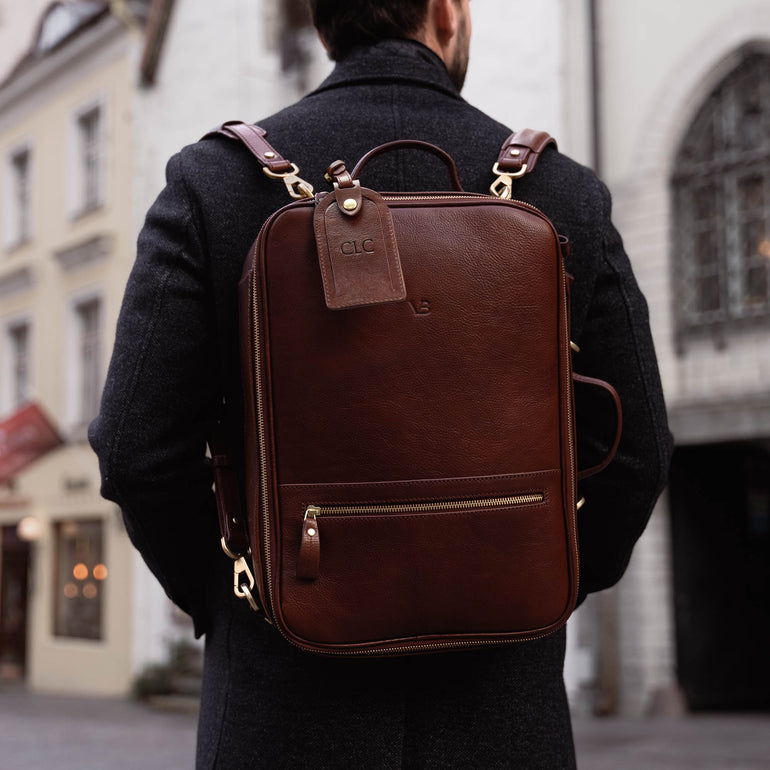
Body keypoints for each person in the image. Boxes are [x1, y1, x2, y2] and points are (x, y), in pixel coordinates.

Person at [90, 1, 673, 766]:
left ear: (324, 20)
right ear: (446, 14)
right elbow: (637, 448)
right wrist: (534, 575)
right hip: (504, 711)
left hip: (281, 706)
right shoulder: (562, 191)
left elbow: (136, 449)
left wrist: (240, 591)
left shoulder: (212, 183)